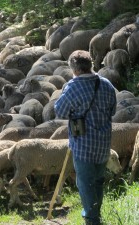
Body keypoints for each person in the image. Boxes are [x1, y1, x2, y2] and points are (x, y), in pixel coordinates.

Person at [54, 50, 116, 225]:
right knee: (97, 182)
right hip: (103, 143)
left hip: (83, 144)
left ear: (75, 68)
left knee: (85, 184)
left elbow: (60, 111)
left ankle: (92, 219)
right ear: (90, 65)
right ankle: (95, 214)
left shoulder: (73, 87)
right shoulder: (107, 84)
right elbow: (113, 111)